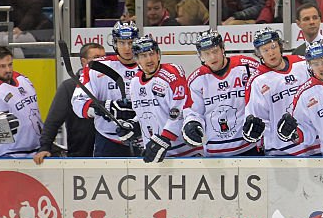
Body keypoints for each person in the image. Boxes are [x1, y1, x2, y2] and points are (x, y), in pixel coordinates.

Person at [182, 31, 262, 157]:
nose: (212, 57)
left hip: (249, 147)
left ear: (223, 49)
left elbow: (262, 100)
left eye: (215, 51)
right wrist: (192, 123)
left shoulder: (247, 67)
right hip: (214, 153)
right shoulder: (196, 80)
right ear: (200, 56)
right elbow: (194, 113)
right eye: (206, 53)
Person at [70, 21, 140, 157]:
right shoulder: (96, 67)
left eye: (131, 42)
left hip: (143, 139)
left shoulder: (147, 66)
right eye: (121, 42)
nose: (127, 48)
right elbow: (78, 102)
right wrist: (102, 107)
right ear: (114, 43)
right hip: (108, 140)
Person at [242, 28, 317, 156]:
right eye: (265, 50)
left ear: (280, 46)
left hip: (315, 145)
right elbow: (257, 120)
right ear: (259, 54)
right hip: (282, 152)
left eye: (273, 47)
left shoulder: (302, 64)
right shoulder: (257, 81)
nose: (271, 53)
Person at [126, 35, 195, 163]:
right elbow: (144, 112)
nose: (149, 59)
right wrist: (133, 125)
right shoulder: (135, 82)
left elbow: (180, 111)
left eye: (151, 54)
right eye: (143, 56)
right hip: (153, 153)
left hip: (183, 152)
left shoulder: (171, 73)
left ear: (158, 55)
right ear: (137, 60)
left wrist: (164, 139)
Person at [33, 41, 102, 164]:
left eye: (104, 58)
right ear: (84, 61)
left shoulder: (109, 85)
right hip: (80, 156)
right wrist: (45, 147)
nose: (103, 62)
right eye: (97, 58)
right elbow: (53, 120)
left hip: (109, 154)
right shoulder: (69, 87)